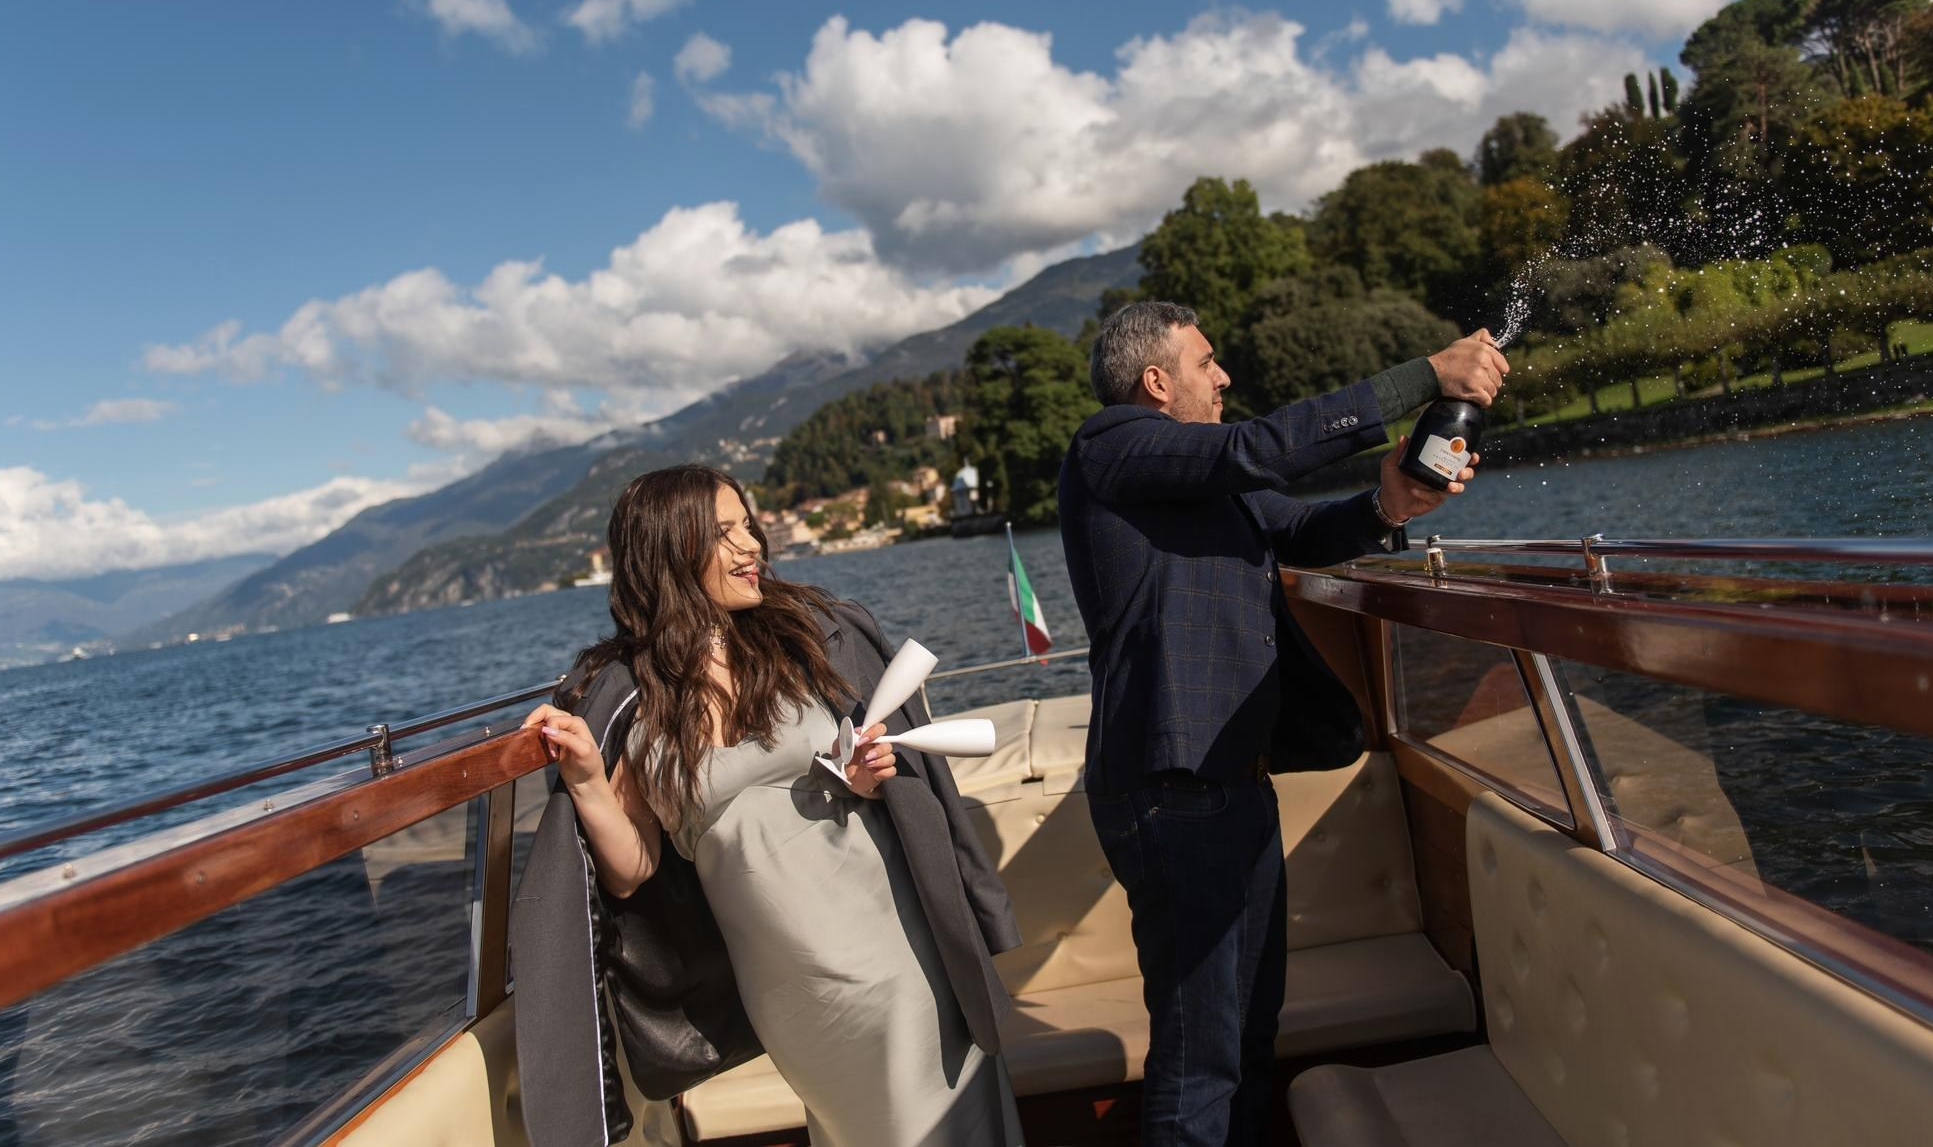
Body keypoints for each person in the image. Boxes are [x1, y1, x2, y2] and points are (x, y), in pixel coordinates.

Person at [1056, 300, 1506, 1146]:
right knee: (1201, 1063)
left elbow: (1301, 527)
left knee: (1250, 1041)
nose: (1224, 377)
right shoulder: (1109, 444)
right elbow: (1255, 446)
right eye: (1206, 363)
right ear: (1156, 382)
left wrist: (1389, 500)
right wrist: (1424, 378)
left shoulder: (1204, 483)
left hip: (1232, 787)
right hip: (1172, 792)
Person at [513, 464, 1023, 1147]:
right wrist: (583, 776)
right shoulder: (641, 701)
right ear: (668, 549)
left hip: (896, 946)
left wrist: (861, 778)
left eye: (747, 524)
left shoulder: (799, 637)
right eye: (724, 532)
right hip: (795, 989)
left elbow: (848, 770)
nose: (751, 543)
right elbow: (632, 867)